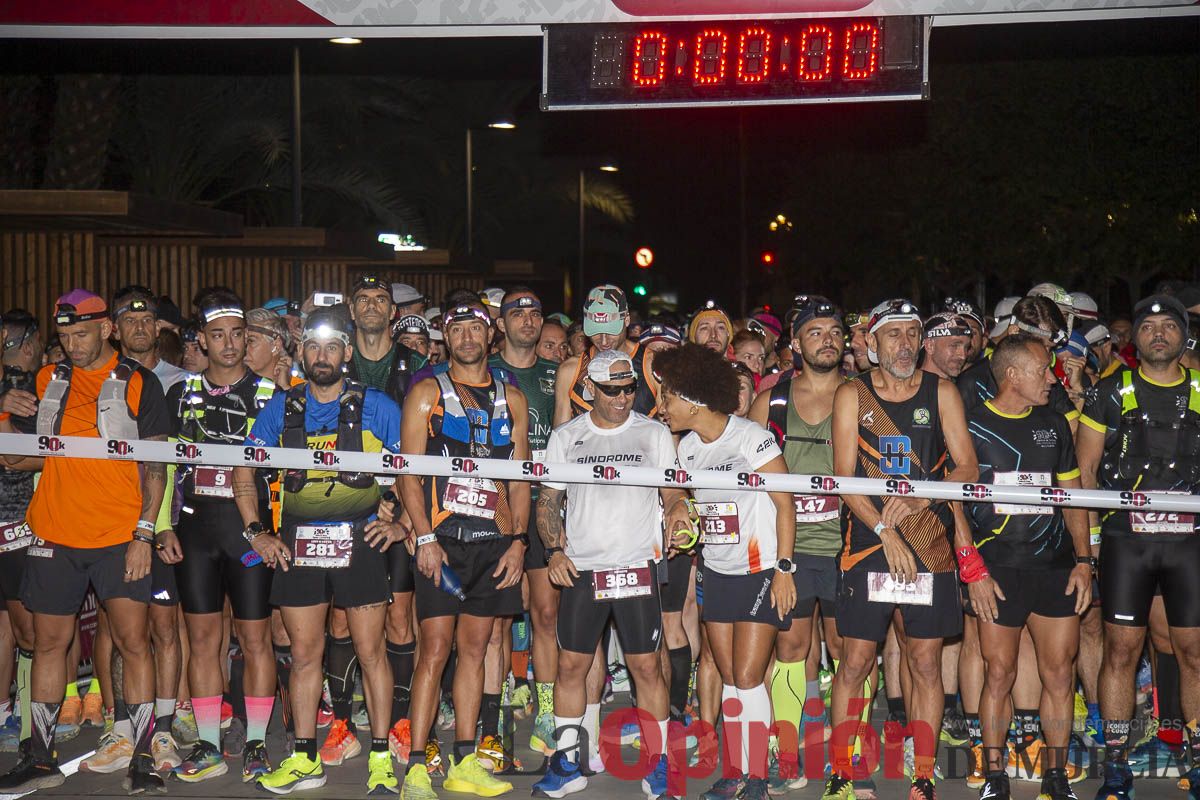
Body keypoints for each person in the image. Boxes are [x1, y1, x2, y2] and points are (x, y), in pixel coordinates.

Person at [0, 290, 170, 794]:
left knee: (135, 644)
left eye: (82, 334)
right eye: (65, 336)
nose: (72, 345)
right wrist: (4, 409)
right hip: (55, 532)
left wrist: (145, 532)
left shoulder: (140, 382)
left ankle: (143, 757)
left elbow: (156, 466)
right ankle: (40, 757)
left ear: (106, 330)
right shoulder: (45, 380)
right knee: (49, 644)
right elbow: (14, 458)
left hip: (120, 535)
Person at [234, 305, 405, 795]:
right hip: (299, 541)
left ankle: (377, 755)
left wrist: (402, 523)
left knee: (372, 651)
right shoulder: (281, 406)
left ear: (347, 352)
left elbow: (415, 470)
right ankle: (305, 757)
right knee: (305, 654)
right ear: (301, 351)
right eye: (313, 346)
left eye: (333, 346)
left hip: (361, 537)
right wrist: (256, 534)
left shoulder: (378, 405)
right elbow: (241, 468)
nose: (322, 355)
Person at [823, 298, 978, 800]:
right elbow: (844, 479)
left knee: (926, 662)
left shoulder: (942, 391)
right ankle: (843, 771)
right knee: (855, 661)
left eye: (912, 334)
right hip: (870, 540)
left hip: (928, 539)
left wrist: (916, 500)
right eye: (893, 335)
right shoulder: (853, 394)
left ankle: (924, 775)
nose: (904, 344)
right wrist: (885, 530)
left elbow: (967, 468)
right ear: (871, 343)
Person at [530, 349, 691, 798]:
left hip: (637, 565)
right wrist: (554, 550)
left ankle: (658, 765)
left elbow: (674, 490)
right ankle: (566, 764)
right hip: (583, 569)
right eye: (611, 390)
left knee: (645, 668)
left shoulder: (654, 433)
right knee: (571, 666)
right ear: (589, 390)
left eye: (628, 389)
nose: (622, 398)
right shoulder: (566, 437)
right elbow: (548, 501)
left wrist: (678, 512)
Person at [398, 303, 531, 800]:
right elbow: (407, 471)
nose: (468, 337)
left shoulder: (511, 398)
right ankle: (415, 765)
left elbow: (520, 479)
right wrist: (424, 539)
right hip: (442, 544)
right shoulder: (426, 392)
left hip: (493, 544)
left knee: (475, 651)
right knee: (433, 652)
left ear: (489, 333)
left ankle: (465, 760)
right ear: (446, 337)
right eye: (458, 329)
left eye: (476, 327)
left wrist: (518, 541)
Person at [654, 343, 796, 800]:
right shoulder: (689, 448)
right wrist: (686, 526)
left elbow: (785, 503)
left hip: (760, 570)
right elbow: (692, 506)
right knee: (731, 677)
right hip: (716, 571)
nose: (662, 408)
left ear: (693, 400)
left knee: (751, 676)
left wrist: (785, 569)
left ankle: (758, 777)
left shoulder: (751, 437)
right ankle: (736, 770)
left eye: (668, 398)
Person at [1075, 295, 1200, 800]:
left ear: (1183, 336)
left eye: (1168, 325)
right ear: (1134, 339)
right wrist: (1088, 549)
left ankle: (1196, 758)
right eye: (1147, 326)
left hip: (1189, 542)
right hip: (1128, 541)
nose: (1157, 333)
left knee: (1193, 652)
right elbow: (1083, 473)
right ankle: (1116, 763)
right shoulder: (1109, 392)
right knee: (1121, 652)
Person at [960, 334, 1093, 800]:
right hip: (999, 571)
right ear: (1012, 375)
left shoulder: (1055, 424)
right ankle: (995, 775)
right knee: (1000, 673)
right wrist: (971, 567)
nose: (1053, 379)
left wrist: (1083, 561)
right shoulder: (971, 425)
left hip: (1054, 568)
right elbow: (953, 504)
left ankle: (1055, 777)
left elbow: (1073, 497)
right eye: (1043, 370)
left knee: (1060, 672)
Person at [158, 290, 279, 783]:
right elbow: (162, 464)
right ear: (201, 340)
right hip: (194, 524)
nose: (228, 345)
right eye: (217, 335)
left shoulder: (272, 395)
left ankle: (254, 742)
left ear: (247, 339)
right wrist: (161, 523)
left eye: (237, 335)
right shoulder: (180, 393)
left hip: (247, 530)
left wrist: (272, 530)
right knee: (203, 638)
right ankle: (208, 745)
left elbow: (281, 476)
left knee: (255, 638)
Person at [750, 296, 846, 788]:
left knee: (851, 652)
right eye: (815, 331)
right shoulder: (773, 400)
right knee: (791, 645)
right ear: (795, 344)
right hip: (793, 545)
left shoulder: (859, 396)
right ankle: (790, 750)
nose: (826, 338)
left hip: (850, 543)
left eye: (834, 331)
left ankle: (843, 755)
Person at [335, 274, 423, 765]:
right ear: (353, 309)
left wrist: (403, 512)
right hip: (337, 509)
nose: (371, 306)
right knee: (341, 620)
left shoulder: (416, 367)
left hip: (401, 506)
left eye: (380, 300)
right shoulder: (333, 362)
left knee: (397, 619)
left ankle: (401, 723)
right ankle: (344, 724)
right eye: (363, 298)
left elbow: (423, 447)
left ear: (392, 311)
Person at [488, 288, 560, 760]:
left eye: (536, 312)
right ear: (501, 323)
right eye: (518, 313)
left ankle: (549, 713)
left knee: (546, 613)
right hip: (495, 506)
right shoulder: (483, 371)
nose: (529, 320)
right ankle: (495, 712)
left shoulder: (559, 374)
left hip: (547, 507)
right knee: (494, 620)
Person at [0, 311, 52, 754]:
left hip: (16, 523)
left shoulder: (31, 388)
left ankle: (32, 727)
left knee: (29, 631)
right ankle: (7, 717)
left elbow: (41, 456)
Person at [111, 286, 187, 391]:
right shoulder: (106, 381)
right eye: (130, 320)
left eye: (147, 320)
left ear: (157, 328)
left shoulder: (182, 381)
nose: (140, 327)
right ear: (116, 331)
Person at [245, 308, 296, 389]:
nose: (242, 349)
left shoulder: (303, 390)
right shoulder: (229, 387)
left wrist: (284, 388)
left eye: (250, 341)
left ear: (276, 346)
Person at [921, 312, 973, 381]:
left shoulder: (966, 385)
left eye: (966, 347)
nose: (963, 356)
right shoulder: (907, 389)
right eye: (954, 345)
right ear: (930, 346)